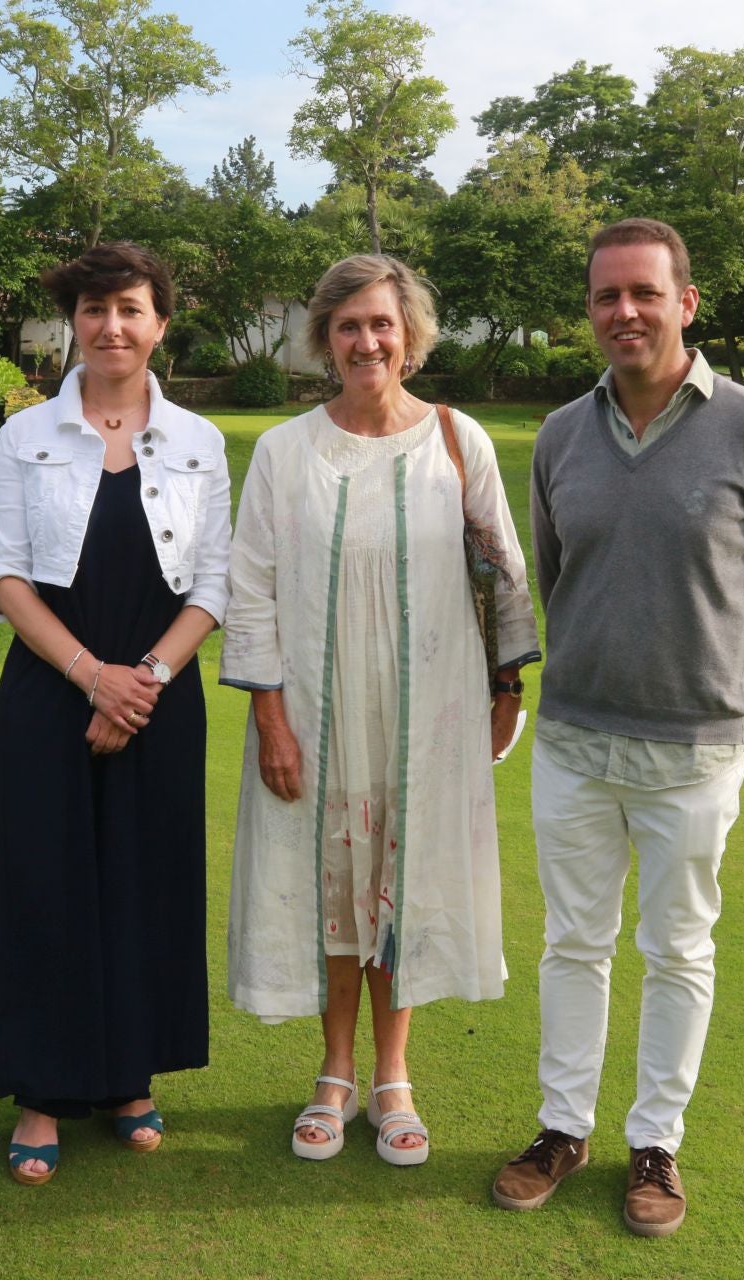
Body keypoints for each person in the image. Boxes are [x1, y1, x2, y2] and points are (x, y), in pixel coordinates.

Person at [490, 218, 744, 1236]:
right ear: (589, 311)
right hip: (577, 740)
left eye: (642, 292)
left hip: (695, 748)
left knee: (678, 948)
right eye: (604, 297)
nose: (623, 312)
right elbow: (559, 577)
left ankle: (656, 1144)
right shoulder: (557, 436)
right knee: (573, 942)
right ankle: (561, 1126)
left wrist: (714, 687)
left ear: (687, 303)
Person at [221, 254, 538, 1166]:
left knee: (403, 880)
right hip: (316, 712)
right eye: (350, 325)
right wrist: (270, 719)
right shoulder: (285, 451)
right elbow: (250, 594)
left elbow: (501, 575)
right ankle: (333, 1073)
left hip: (430, 709)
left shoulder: (454, 438)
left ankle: (392, 1078)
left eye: (383, 324)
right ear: (326, 338)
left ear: (411, 337)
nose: (368, 340)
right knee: (333, 886)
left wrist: (506, 688)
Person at [0, 242, 231, 1185]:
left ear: (160, 321)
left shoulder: (199, 442)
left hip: (162, 693)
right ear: (71, 324)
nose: (111, 326)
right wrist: (94, 678)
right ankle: (41, 1091)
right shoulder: (25, 435)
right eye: (93, 310)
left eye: (129, 308)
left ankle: (129, 1080)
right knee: (44, 885)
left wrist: (144, 684)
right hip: (52, 685)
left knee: (145, 883)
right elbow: (3, 575)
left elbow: (214, 582)